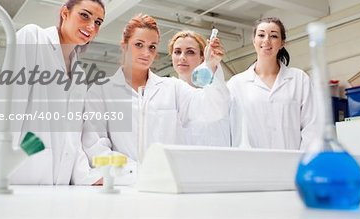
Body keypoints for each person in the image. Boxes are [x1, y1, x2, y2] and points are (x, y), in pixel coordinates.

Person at [0, 0, 105, 185]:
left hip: (59, 185)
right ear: (65, 13)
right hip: (19, 177)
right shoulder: (32, 38)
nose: (91, 26)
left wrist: (86, 177)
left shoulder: (79, 76)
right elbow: (8, 107)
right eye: (84, 15)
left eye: (98, 22)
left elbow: (72, 135)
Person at [82, 15, 230, 182]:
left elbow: (213, 110)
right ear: (124, 46)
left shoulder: (172, 88)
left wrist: (212, 66)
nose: (146, 53)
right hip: (126, 187)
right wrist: (136, 173)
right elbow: (95, 147)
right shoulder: (101, 91)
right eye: (139, 45)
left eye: (152, 47)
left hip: (167, 186)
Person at [228, 17, 321, 150]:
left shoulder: (299, 79)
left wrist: (303, 163)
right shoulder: (236, 84)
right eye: (261, 35)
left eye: (273, 36)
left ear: (282, 43)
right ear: (254, 41)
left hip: (291, 165)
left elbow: (312, 127)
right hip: (251, 165)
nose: (266, 40)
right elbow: (228, 130)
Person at [168, 30, 230, 146]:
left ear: (202, 57)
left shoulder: (215, 92)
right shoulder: (167, 92)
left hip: (216, 161)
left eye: (190, 52)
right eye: (177, 52)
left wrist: (211, 64)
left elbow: (216, 108)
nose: (182, 57)